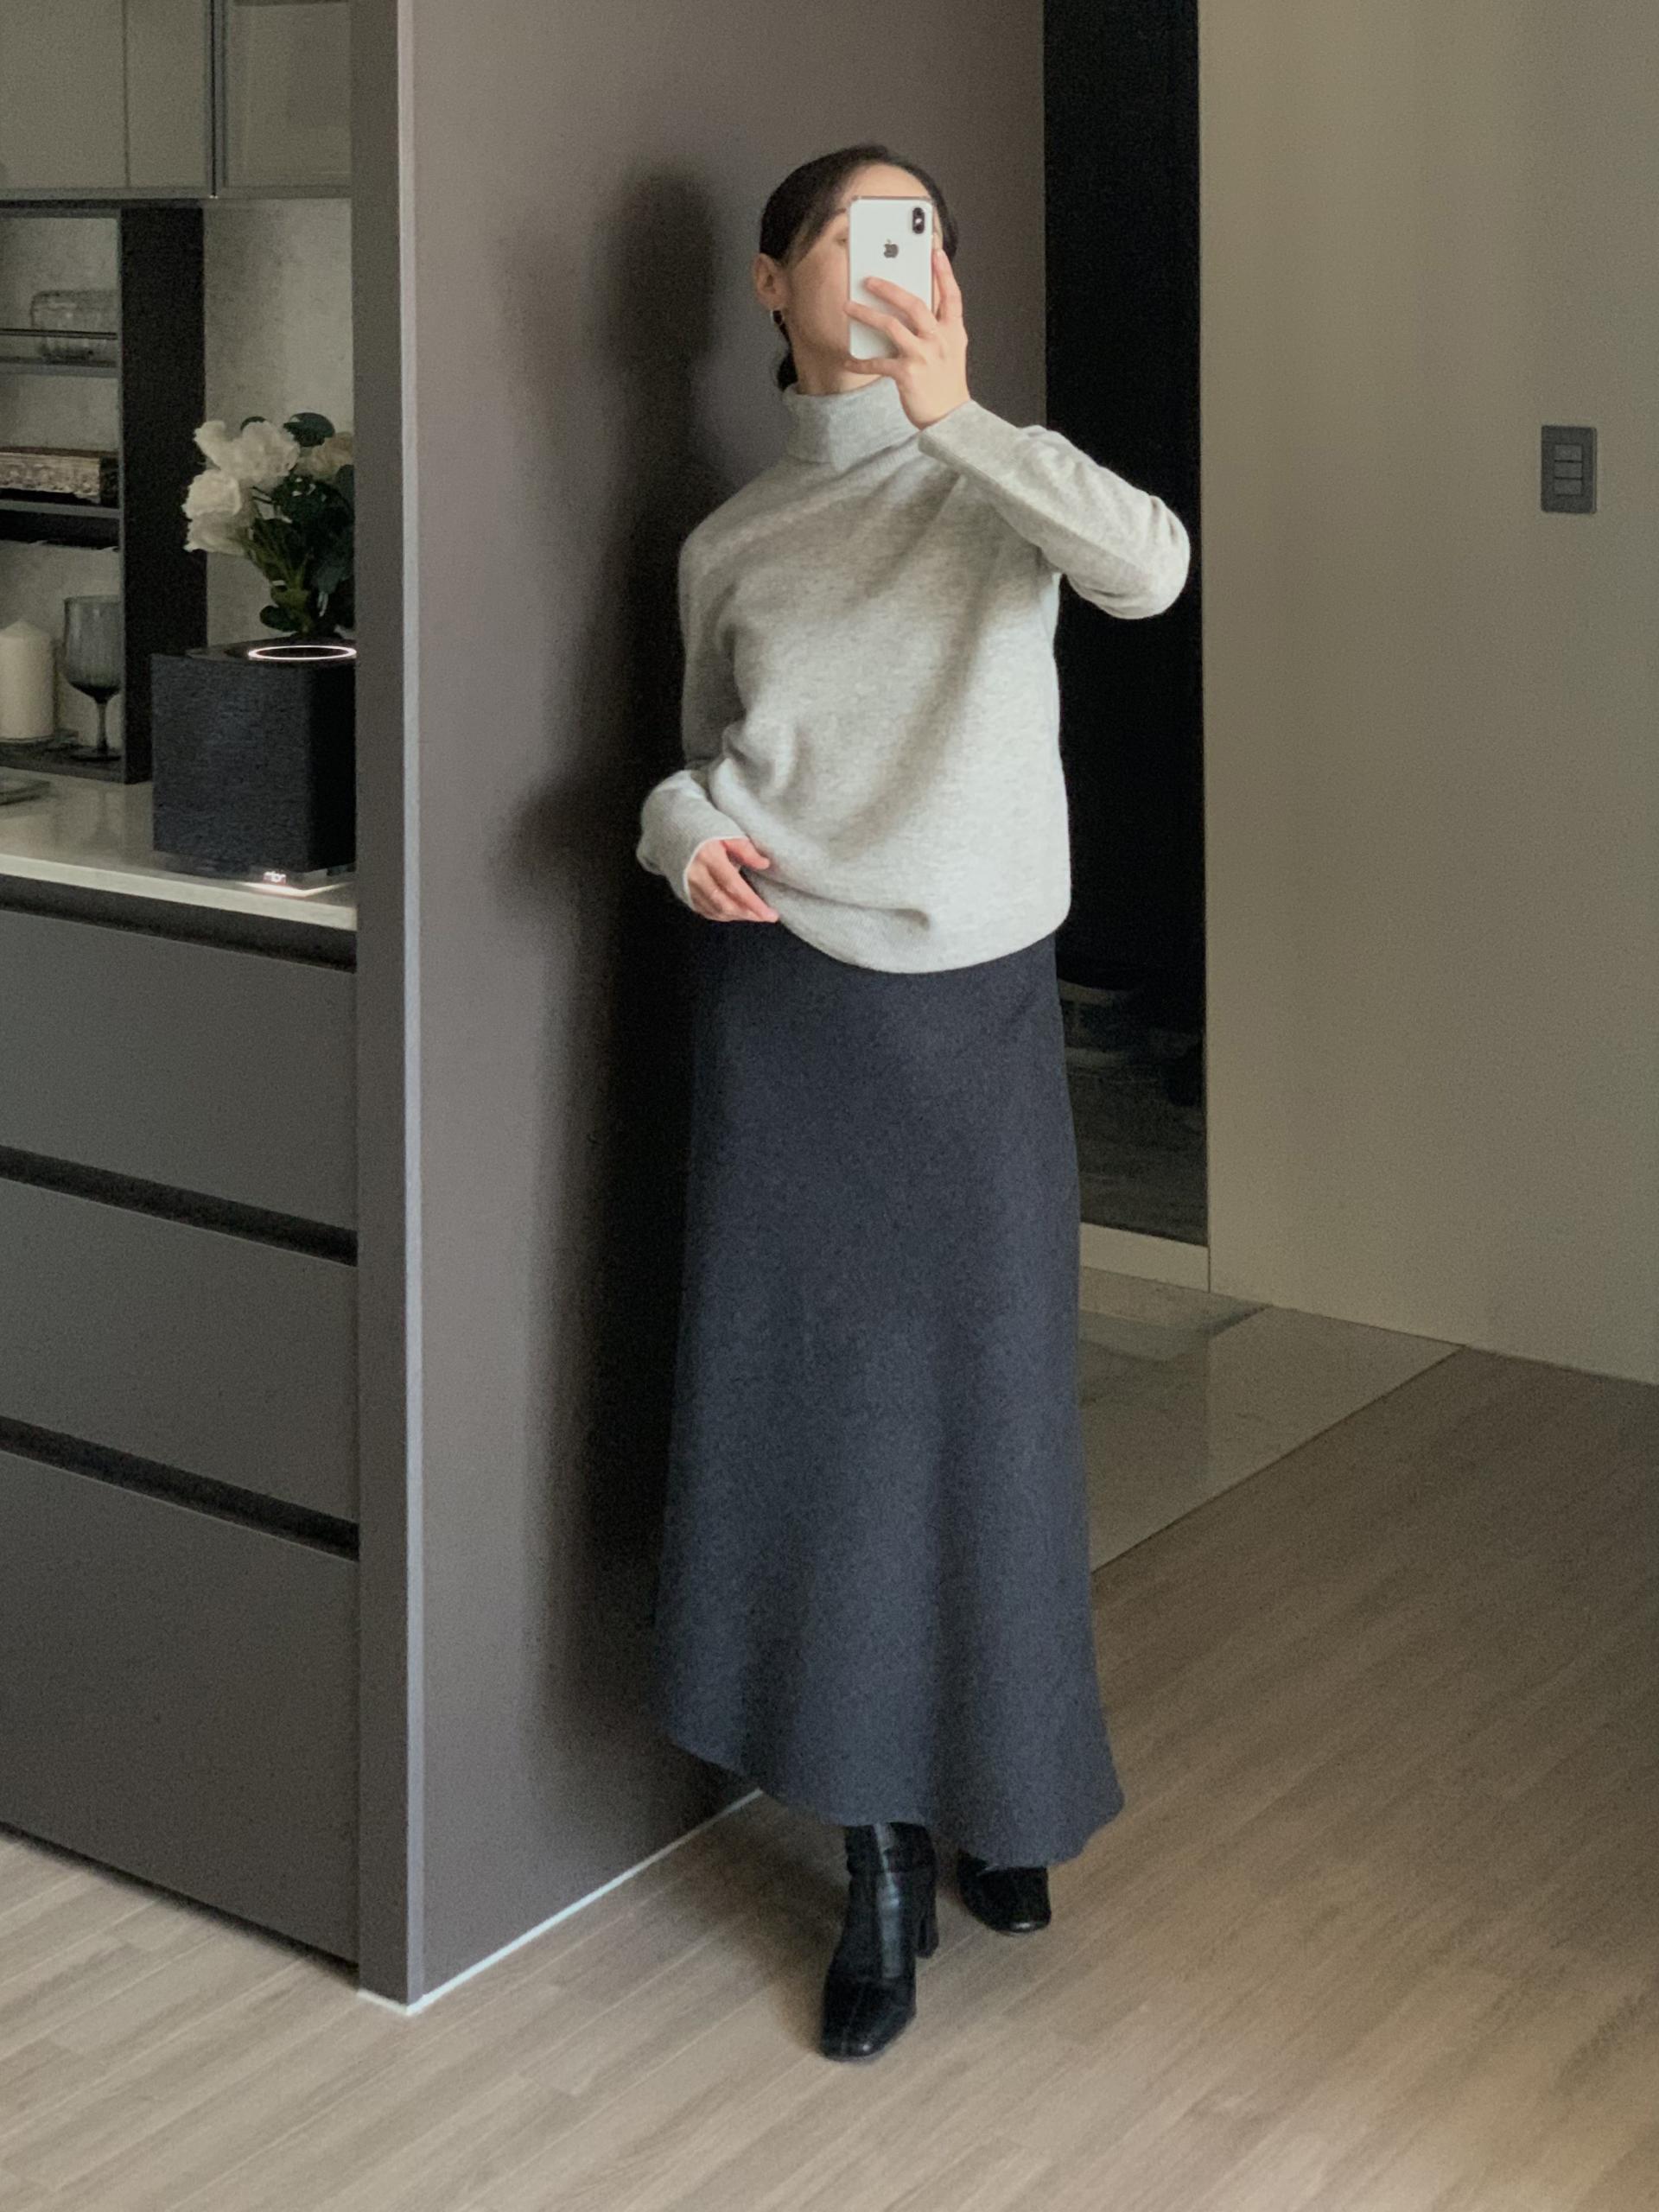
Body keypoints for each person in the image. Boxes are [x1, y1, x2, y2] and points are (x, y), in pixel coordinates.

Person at [635, 143, 1191, 2062]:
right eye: (861, 238)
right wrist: (680, 828)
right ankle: (875, 1855)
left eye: (923, 236)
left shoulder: (993, 484)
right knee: (827, 1446)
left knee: (997, 1423)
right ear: (775, 281)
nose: (899, 265)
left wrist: (964, 418)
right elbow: (704, 759)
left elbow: (1151, 567)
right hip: (792, 1021)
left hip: (973, 1027)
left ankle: (1005, 1790)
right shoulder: (728, 541)